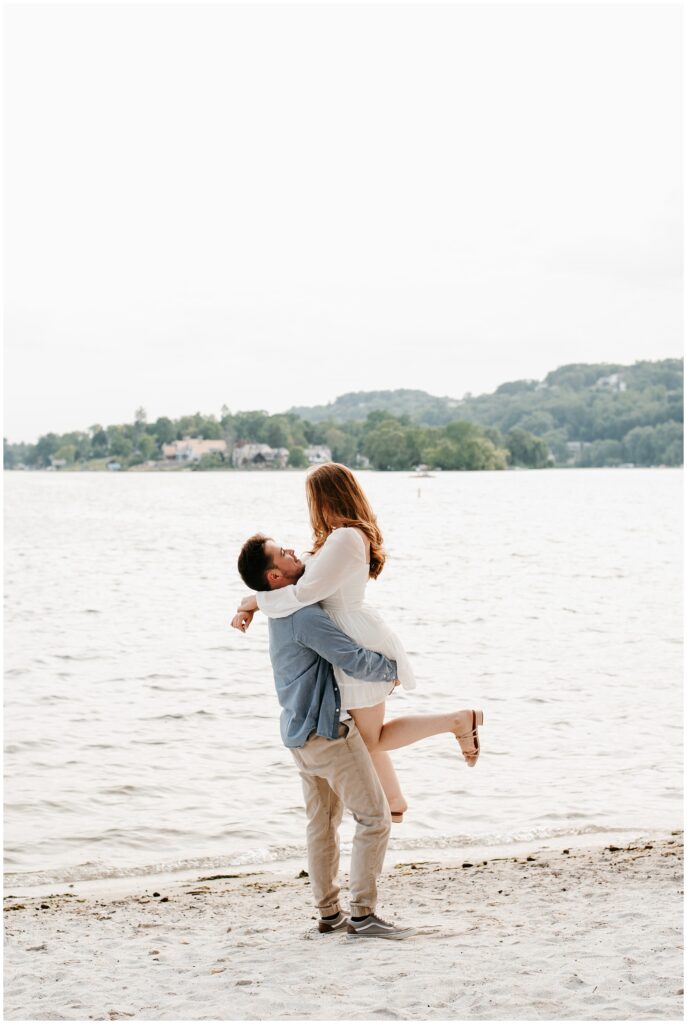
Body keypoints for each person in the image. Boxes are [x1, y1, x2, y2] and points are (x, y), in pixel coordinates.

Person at [232, 463, 484, 825]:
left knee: (371, 739)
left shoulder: (346, 538)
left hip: (356, 635)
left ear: (325, 498)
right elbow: (290, 580)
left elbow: (303, 592)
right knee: (366, 736)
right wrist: (250, 599)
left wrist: (253, 602)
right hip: (348, 631)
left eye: (313, 498)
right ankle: (394, 801)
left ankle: (458, 721)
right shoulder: (335, 539)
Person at [235, 540, 414, 939]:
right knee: (375, 819)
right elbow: (349, 656)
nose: (294, 552)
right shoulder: (302, 616)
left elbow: (261, 599)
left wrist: (245, 605)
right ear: (275, 576)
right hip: (328, 732)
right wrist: (392, 668)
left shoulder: (277, 607)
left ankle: (330, 913)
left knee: (322, 824)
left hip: (298, 734)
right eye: (283, 553)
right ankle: (364, 914)